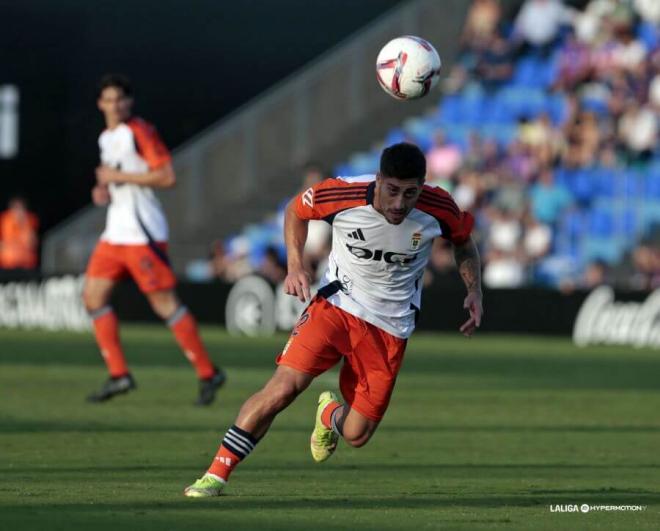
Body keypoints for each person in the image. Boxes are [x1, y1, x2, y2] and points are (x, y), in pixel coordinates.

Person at [183, 142, 483, 497]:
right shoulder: (344, 193)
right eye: (393, 191)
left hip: (391, 327)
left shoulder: (439, 208)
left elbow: (464, 243)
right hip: (337, 305)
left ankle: (328, 415)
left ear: (422, 186)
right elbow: (296, 211)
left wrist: (475, 290)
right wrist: (295, 265)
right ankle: (215, 475)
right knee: (283, 388)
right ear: (378, 179)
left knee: (356, 434)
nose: (401, 203)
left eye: (410, 193)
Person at [83, 74, 225, 405]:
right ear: (100, 104)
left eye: (120, 99)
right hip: (115, 231)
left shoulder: (140, 131)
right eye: (109, 99)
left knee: (164, 304)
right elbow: (116, 178)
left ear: (129, 102)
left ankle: (208, 372)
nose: (115, 105)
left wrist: (118, 177)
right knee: (92, 297)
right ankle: (119, 375)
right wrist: (104, 189)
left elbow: (166, 175)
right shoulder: (107, 137)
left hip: (141, 233)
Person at [0, 196, 39, 270]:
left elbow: (33, 243)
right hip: (7, 263)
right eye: (16, 208)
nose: (18, 211)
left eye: (20, 208)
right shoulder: (4, 220)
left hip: (26, 264)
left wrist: (24, 223)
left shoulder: (30, 220)